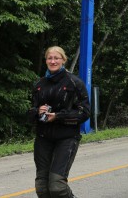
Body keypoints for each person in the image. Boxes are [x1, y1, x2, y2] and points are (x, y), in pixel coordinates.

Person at [27, 46, 90, 198]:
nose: (53, 61)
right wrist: (37, 112)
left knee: (57, 186)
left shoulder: (74, 83)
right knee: (42, 188)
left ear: (63, 60)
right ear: (46, 60)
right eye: (50, 58)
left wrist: (58, 116)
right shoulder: (39, 84)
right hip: (43, 138)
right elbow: (30, 111)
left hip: (66, 138)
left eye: (57, 58)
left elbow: (85, 112)